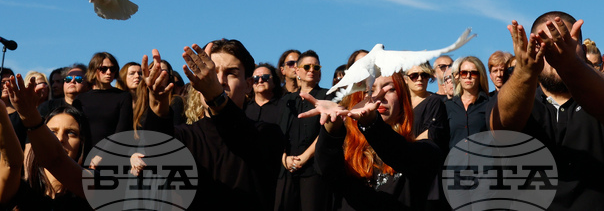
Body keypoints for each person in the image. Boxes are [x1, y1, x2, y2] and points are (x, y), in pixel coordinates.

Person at [490, 12, 604, 210]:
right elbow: (502, 128)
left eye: (563, 42)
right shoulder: (515, 100)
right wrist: (525, 71)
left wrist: (570, 64)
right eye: (546, 45)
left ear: (581, 49)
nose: (555, 53)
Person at [141, 41, 285, 211]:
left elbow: (241, 136)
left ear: (248, 85)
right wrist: (157, 108)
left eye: (231, 73)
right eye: (213, 72)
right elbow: (156, 156)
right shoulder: (185, 136)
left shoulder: (267, 134)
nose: (220, 81)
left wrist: (216, 97)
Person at [306, 73, 445, 210]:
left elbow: (402, 154)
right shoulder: (345, 150)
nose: (378, 96)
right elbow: (327, 170)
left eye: (389, 89)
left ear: (403, 99)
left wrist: (371, 123)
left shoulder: (424, 150)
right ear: (357, 99)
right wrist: (332, 126)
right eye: (369, 91)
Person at [2, 73, 93, 209]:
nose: (61, 139)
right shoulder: (20, 192)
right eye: (52, 132)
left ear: (82, 142)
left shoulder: (95, 182)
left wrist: (29, 115)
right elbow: (11, 164)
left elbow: (56, 160)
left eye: (71, 133)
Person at [276, 50, 330, 211]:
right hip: (286, 170)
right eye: (307, 66)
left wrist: (304, 157)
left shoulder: (327, 97)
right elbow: (278, 133)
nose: (312, 70)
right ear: (297, 71)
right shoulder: (286, 101)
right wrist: (284, 158)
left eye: (316, 67)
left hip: (314, 170)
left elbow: (325, 132)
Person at [78, 51, 132, 145]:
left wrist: (102, 155)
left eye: (112, 69)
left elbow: (121, 131)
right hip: (85, 154)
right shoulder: (81, 99)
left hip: (113, 153)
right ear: (93, 70)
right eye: (103, 69)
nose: (108, 72)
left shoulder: (123, 96)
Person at [445, 56, 490, 150]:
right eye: (464, 73)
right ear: (459, 77)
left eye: (473, 73)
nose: (468, 76)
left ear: (480, 76)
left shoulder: (489, 104)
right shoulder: (448, 106)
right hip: (455, 163)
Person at [404, 64, 449, 152]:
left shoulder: (435, 102)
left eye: (424, 75)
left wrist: (406, 150)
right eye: (414, 76)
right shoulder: (399, 102)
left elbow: (432, 132)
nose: (420, 79)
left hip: (422, 155)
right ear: (406, 79)